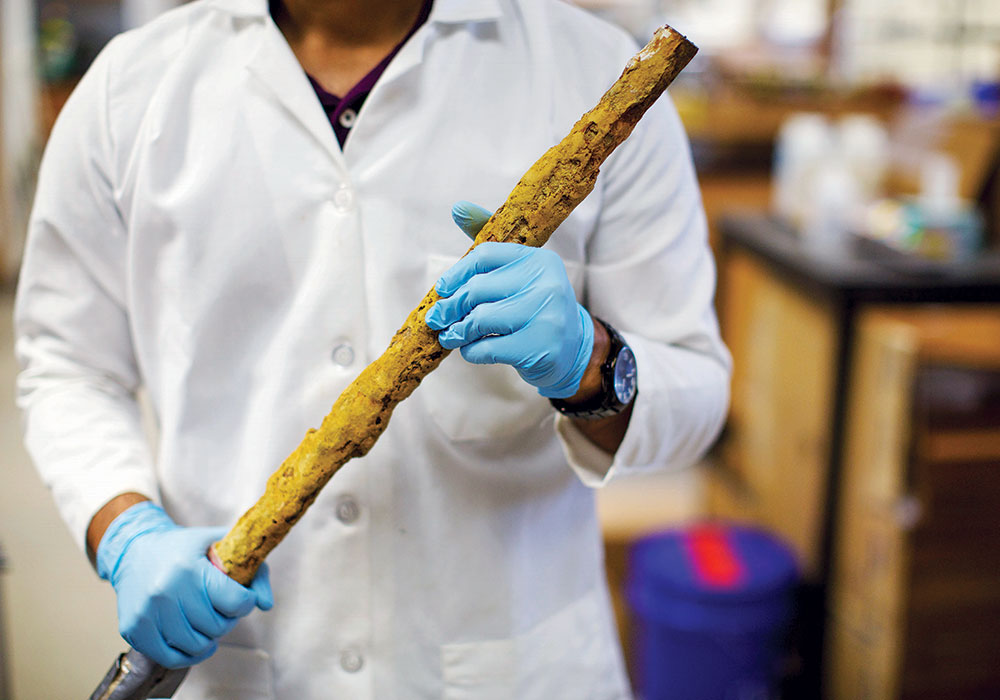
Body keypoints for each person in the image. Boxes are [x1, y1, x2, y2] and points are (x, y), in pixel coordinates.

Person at [14, 0, 731, 697]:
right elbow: (67, 364)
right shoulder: (128, 89)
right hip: (243, 666)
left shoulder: (592, 67)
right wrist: (126, 531)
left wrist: (590, 362)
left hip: (512, 663)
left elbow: (697, 393)